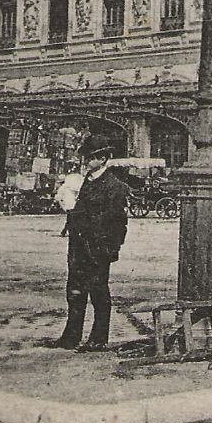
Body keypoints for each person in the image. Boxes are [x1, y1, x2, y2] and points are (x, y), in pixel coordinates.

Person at [44, 143, 131, 352]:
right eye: (86, 157)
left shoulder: (114, 185)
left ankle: (99, 339)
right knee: (75, 291)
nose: (87, 161)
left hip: (98, 248)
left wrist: (111, 249)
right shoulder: (87, 182)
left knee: (98, 292)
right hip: (79, 246)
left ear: (103, 159)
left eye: (91, 157)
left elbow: (118, 222)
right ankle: (71, 337)